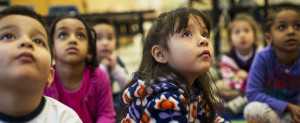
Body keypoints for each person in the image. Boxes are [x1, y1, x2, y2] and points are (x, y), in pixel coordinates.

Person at [117, 7, 228, 123]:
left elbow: (211, 119)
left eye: (204, 34)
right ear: (161, 54)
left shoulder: (195, 87)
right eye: (186, 34)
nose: (203, 40)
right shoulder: (164, 97)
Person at [0, 6, 81, 123]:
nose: (26, 42)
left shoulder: (66, 119)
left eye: (38, 41)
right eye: (8, 36)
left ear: (50, 75)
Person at [43, 15, 115, 123]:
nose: (73, 40)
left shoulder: (99, 76)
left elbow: (106, 115)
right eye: (63, 35)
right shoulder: (44, 78)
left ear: (89, 50)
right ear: (52, 48)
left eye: (80, 36)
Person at [244, 3, 300, 123]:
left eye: (297, 26)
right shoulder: (263, 57)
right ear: (268, 37)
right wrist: (287, 106)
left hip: (297, 112)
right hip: (274, 110)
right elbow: (252, 93)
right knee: (252, 110)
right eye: (282, 27)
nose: (291, 31)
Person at [217, 13, 262, 116]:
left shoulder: (261, 53)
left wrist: (248, 77)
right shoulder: (228, 57)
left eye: (246, 30)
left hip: (258, 86)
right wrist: (242, 82)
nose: (242, 35)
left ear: (254, 36)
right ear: (230, 40)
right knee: (217, 87)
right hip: (239, 88)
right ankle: (245, 99)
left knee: (270, 87)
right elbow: (228, 78)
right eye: (237, 32)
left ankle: (241, 102)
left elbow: (264, 75)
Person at [92, 19, 130, 112]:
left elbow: (127, 85)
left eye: (109, 38)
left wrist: (115, 68)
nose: (105, 43)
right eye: (98, 38)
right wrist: (103, 67)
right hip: (97, 104)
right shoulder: (90, 62)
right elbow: (94, 89)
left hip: (115, 101)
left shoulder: (116, 60)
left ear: (115, 41)